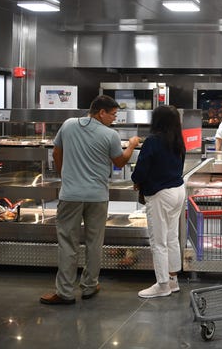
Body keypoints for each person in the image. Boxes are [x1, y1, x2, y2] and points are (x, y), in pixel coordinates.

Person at [40, 96, 139, 305]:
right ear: (101, 112)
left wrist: (65, 176)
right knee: (95, 242)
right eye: (112, 115)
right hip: (97, 196)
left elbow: (57, 152)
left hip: (70, 195)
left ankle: (65, 292)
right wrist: (131, 146)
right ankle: (90, 286)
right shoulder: (110, 135)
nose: (114, 119)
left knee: (68, 243)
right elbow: (120, 162)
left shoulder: (68, 125)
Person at [131, 105, 186, 298]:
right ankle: (173, 280)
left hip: (160, 194)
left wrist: (136, 181)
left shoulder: (153, 141)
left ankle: (162, 285)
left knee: (158, 241)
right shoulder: (178, 140)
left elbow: (141, 169)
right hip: (178, 190)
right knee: (171, 237)